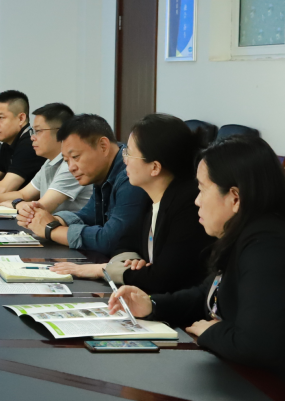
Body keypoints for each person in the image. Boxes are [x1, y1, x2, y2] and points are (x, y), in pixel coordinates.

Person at [107, 134, 285, 401]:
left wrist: (210, 332)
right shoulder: (246, 234)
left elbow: (254, 345)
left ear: (235, 197)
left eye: (202, 189)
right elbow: (208, 294)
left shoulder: (270, 247)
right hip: (260, 382)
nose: (196, 201)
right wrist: (152, 304)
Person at [53, 113, 212, 289]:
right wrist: (131, 260)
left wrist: (103, 270)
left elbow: (162, 278)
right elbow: (124, 242)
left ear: (154, 167)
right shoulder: (151, 198)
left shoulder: (187, 207)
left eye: (129, 153)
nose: (124, 160)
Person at [18, 113, 148, 253]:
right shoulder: (102, 173)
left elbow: (111, 239)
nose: (71, 168)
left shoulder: (130, 175)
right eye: (67, 161)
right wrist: (46, 220)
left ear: (103, 146)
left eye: (75, 157)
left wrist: (51, 230)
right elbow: (88, 216)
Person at [0, 103, 91, 213]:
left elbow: (41, 207)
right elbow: (24, 194)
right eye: (33, 131)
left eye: (38, 131)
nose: (32, 137)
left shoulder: (70, 166)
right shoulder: (49, 162)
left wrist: (15, 204)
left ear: (61, 133)